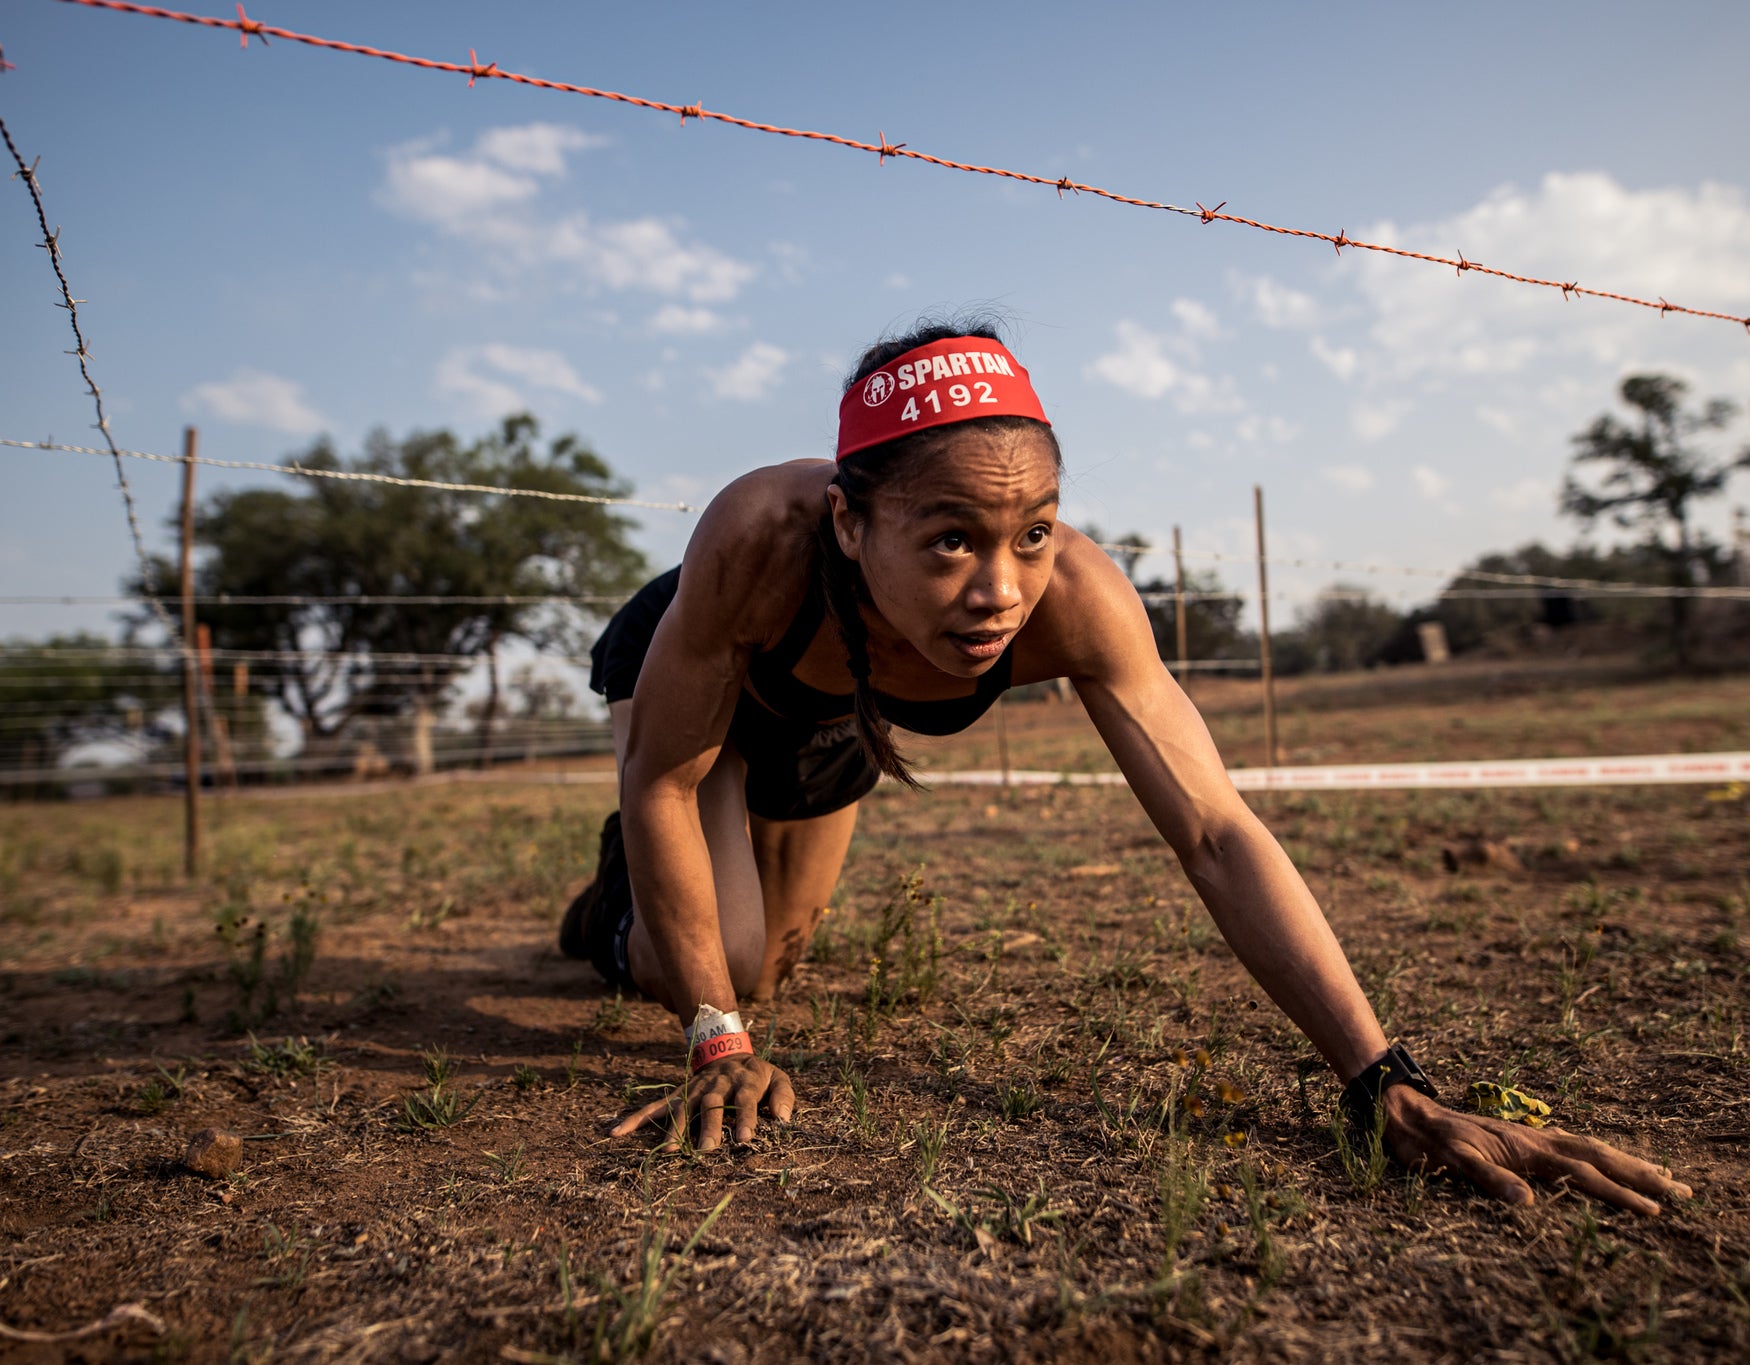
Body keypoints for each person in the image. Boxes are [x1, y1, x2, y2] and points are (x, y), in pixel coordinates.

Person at [559, 319, 1691, 1215]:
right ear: (851, 525)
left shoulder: (1076, 603)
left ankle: (708, 896)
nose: (1001, 588)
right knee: (729, 968)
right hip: (708, 710)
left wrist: (1380, 1078)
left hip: (835, 727)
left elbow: (1214, 830)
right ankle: (607, 916)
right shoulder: (757, 536)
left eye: (1033, 531)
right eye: (950, 538)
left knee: (782, 950)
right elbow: (662, 776)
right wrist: (717, 1041)